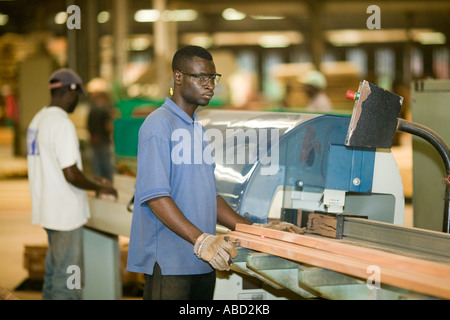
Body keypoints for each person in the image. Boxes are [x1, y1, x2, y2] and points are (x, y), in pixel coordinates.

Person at [126, 45, 252, 300]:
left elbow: (210, 197)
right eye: (201, 77)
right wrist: (202, 240)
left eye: (213, 78)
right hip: (171, 263)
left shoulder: (197, 129)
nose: (210, 85)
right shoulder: (158, 125)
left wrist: (254, 229)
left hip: (203, 261)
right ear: (178, 77)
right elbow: (156, 196)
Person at [26, 68, 118, 300]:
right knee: (68, 283)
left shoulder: (38, 120)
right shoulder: (61, 124)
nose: (78, 102)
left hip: (48, 211)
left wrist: (93, 179)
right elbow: (71, 174)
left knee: (54, 274)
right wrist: (101, 187)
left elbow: (59, 166)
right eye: (78, 96)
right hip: (65, 215)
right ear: (70, 91)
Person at [86, 78, 115, 182]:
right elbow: (109, 126)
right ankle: (108, 187)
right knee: (107, 167)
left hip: (94, 142)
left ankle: (99, 187)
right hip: (104, 142)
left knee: (96, 168)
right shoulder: (106, 110)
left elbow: (88, 126)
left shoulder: (92, 109)